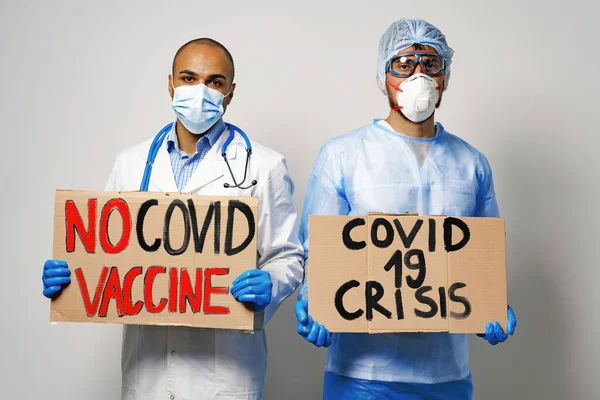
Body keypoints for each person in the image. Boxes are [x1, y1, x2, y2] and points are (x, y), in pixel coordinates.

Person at [41, 38, 304, 400]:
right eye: (188, 77)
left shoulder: (264, 165)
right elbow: (104, 253)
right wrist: (71, 276)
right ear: (170, 84)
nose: (201, 91)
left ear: (230, 92)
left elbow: (288, 256)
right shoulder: (130, 163)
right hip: (147, 371)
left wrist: (271, 283)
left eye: (215, 82)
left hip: (225, 373)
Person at [294, 19, 517, 399]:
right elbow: (317, 251)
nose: (419, 75)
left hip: (446, 374)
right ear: (384, 76)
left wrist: (490, 306)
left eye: (430, 64)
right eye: (404, 64)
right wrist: (313, 302)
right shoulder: (343, 155)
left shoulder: (472, 164)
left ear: (445, 77)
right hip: (362, 373)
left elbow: (483, 259)